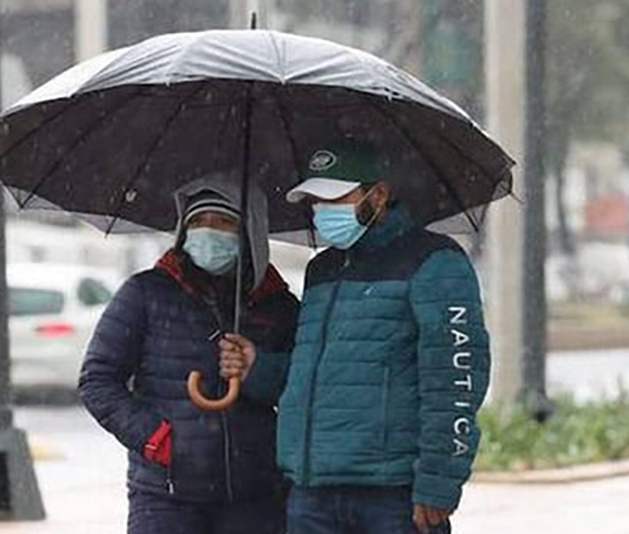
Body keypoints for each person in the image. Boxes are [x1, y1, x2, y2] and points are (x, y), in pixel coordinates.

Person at [219, 141, 490, 534]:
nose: (321, 211)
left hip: (392, 497)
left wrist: (439, 480)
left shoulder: (435, 262)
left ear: (377, 195)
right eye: (315, 201)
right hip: (312, 494)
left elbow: (454, 384)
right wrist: (256, 368)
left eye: (334, 198)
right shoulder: (322, 270)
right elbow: (316, 377)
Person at [79, 174, 299, 534]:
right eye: (197, 222)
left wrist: (257, 370)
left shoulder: (278, 306)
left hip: (256, 496)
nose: (209, 232)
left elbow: (306, 385)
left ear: (250, 235)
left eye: (225, 222)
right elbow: (98, 380)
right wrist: (154, 437)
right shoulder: (146, 294)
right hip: (166, 496)